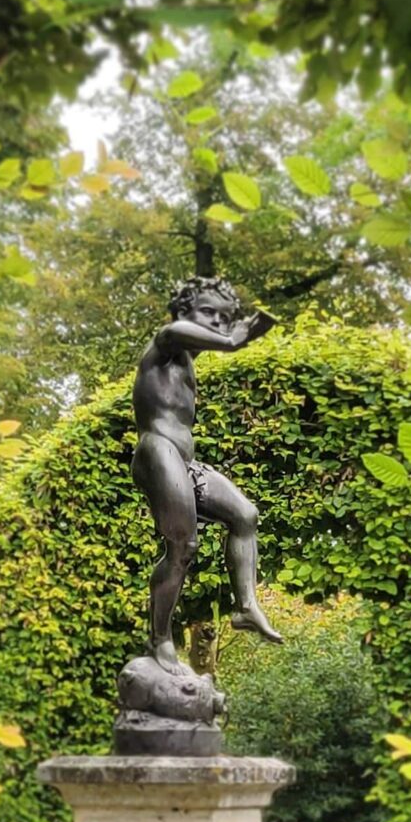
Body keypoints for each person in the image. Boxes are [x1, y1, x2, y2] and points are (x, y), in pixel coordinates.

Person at [132, 276, 283, 674]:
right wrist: (238, 334)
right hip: (156, 452)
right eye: (208, 313)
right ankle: (160, 639)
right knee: (183, 547)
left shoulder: (186, 366)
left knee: (245, 515)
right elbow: (177, 332)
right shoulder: (164, 345)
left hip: (184, 461)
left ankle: (246, 606)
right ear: (184, 313)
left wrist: (238, 331)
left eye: (224, 317)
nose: (217, 323)